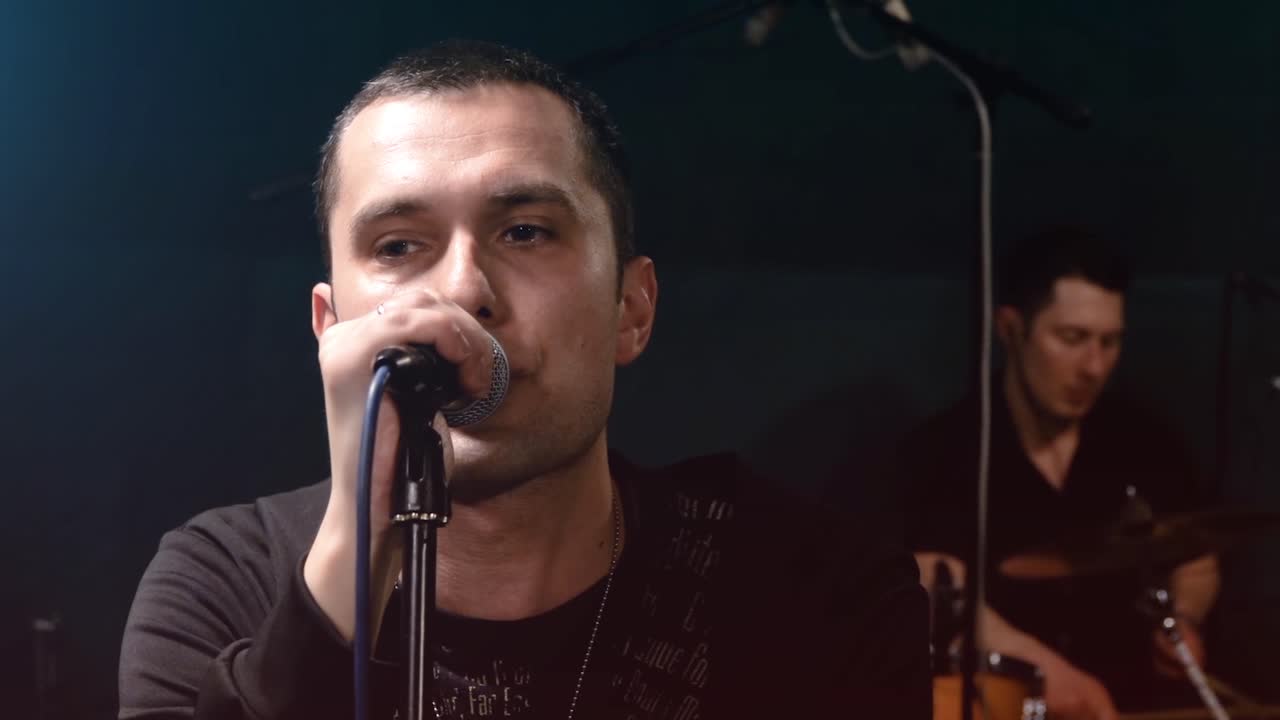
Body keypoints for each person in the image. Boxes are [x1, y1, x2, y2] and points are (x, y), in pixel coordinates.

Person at [118, 40, 930, 720]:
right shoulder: (219, 585)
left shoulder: (820, 590)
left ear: (632, 309)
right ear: (329, 328)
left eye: (526, 231)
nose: (464, 289)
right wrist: (358, 540)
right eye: (399, 246)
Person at [897, 229, 1221, 720]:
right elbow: (926, 577)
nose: (1094, 366)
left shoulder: (1148, 441)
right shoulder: (944, 450)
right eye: (1071, 339)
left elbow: (1197, 561)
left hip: (1129, 709)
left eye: (1110, 343)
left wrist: (1186, 620)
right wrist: (1039, 668)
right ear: (1010, 329)